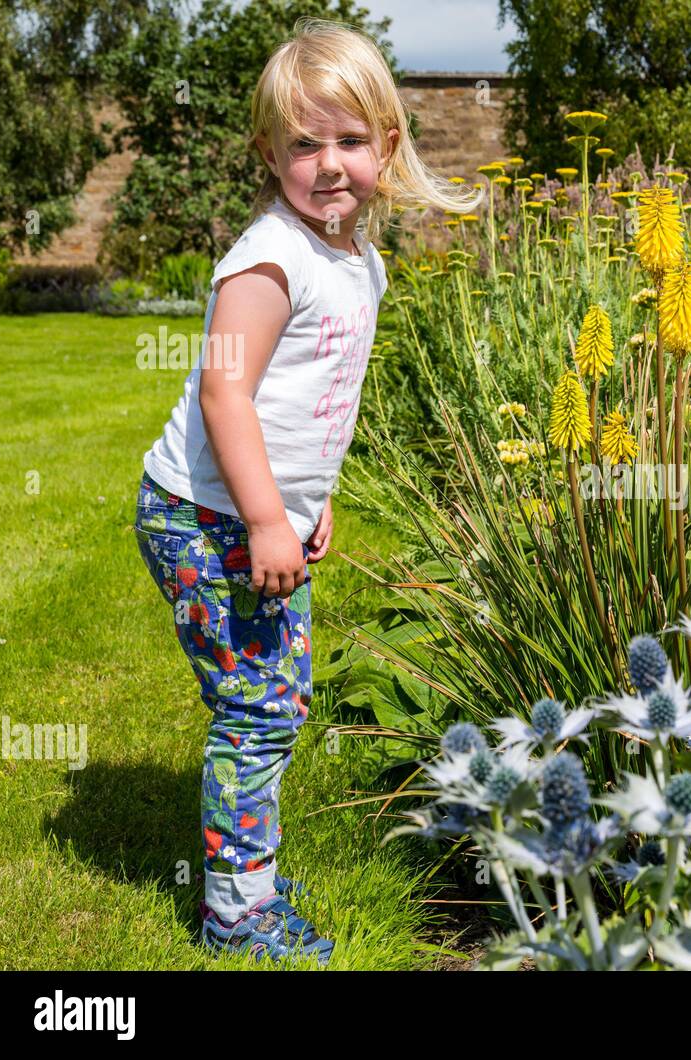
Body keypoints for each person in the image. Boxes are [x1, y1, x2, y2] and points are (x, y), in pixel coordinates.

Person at [133, 17, 483, 966]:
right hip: (203, 517)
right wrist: (260, 517)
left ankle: (244, 872)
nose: (329, 165)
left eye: (350, 141)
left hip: (258, 511)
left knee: (272, 704)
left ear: (389, 146)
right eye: (303, 144)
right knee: (259, 709)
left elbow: (312, 401)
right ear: (269, 153)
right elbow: (225, 389)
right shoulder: (269, 257)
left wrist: (307, 497)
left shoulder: (357, 260)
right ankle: (237, 915)